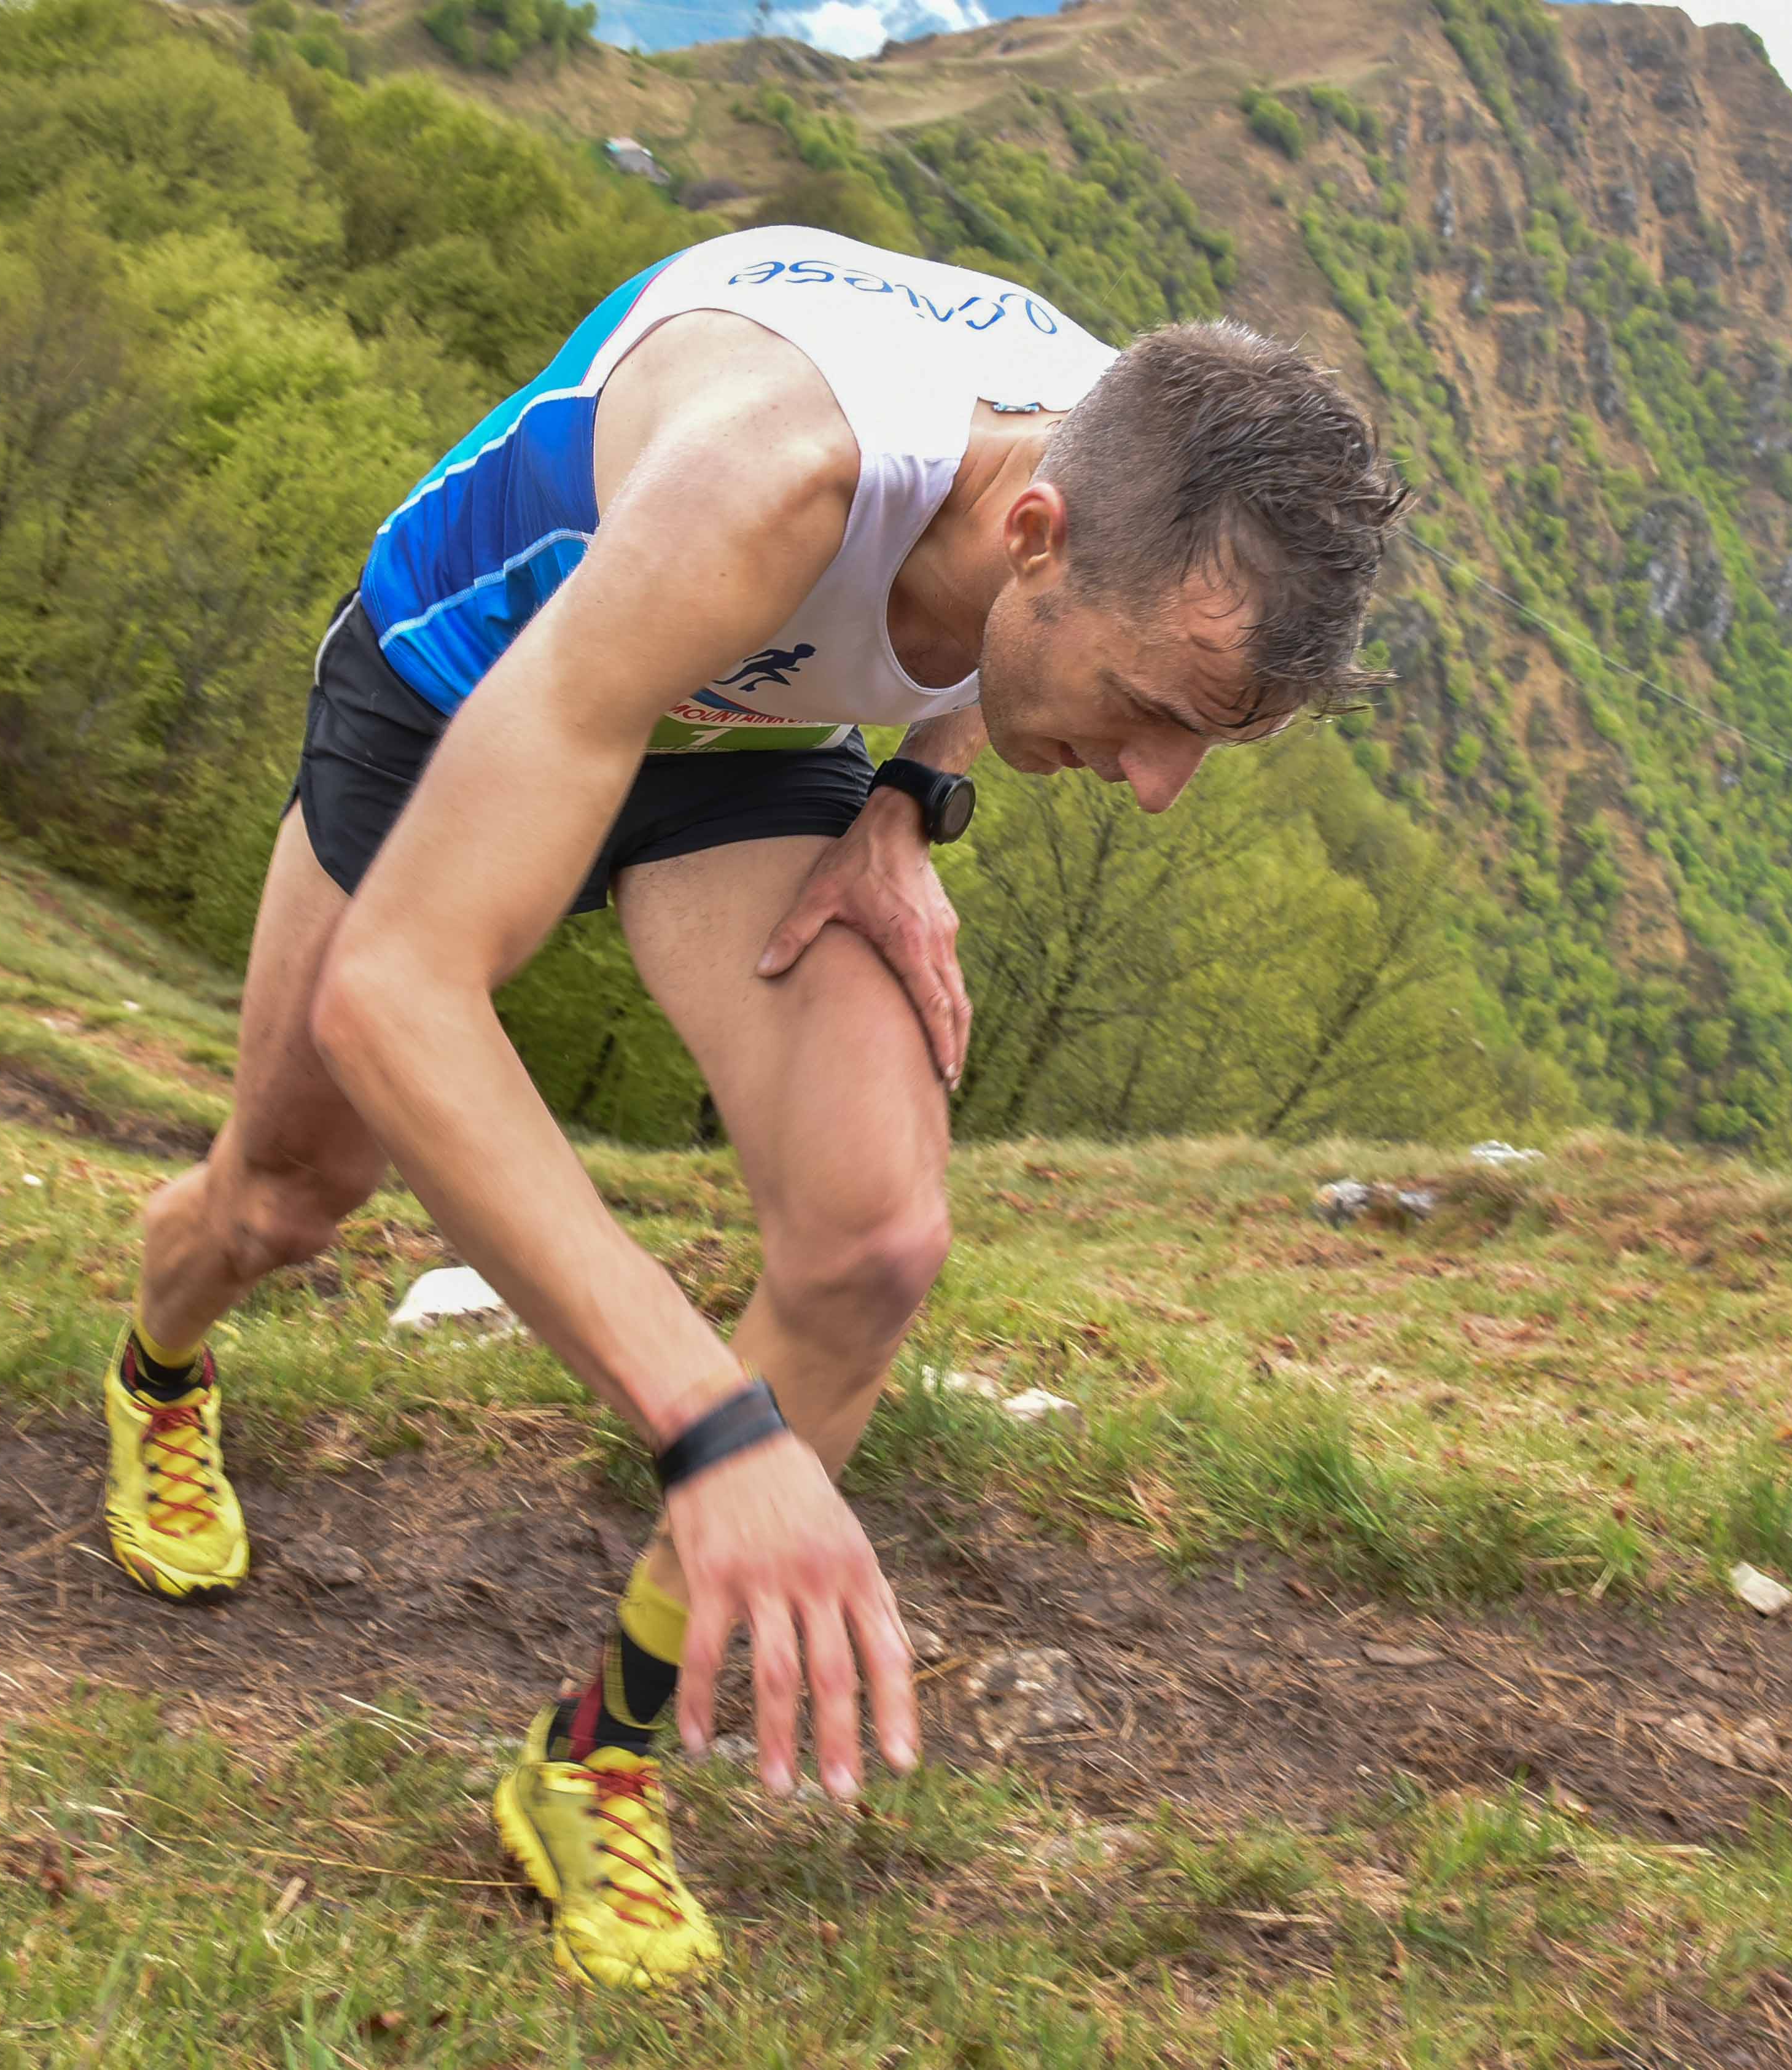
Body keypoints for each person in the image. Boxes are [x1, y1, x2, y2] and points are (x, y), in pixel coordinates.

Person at [95, 224, 1407, 1987]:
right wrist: (713, 1427)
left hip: (742, 732)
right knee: (285, 1201)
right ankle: (160, 1362)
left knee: (874, 1235)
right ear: (1035, 538)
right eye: (1150, 713)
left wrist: (915, 801)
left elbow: (985, 644)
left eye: (1210, 742)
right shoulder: (773, 479)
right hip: (477, 674)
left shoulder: (1122, 457)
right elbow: (395, 995)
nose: (1157, 787)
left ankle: (596, 1757)